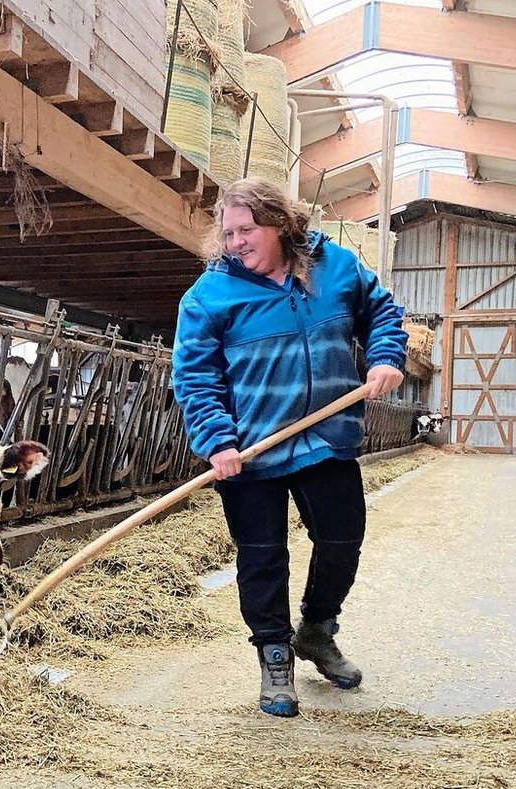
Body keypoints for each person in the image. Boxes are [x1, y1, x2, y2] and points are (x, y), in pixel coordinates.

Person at [171, 177, 407, 718]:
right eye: (228, 233)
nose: (235, 242)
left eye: (247, 230)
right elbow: (194, 376)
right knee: (262, 559)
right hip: (252, 451)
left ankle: (317, 631)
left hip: (327, 438)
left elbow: (382, 314)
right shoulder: (209, 295)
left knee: (343, 540)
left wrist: (385, 357)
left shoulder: (339, 267)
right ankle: (274, 654)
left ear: (281, 224)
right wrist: (217, 441)